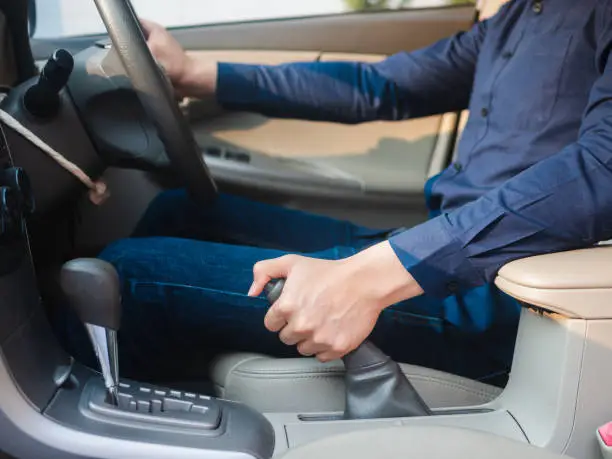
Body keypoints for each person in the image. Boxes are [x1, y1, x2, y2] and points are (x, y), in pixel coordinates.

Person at [55, 0, 612, 388]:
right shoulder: (521, 15)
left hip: (506, 297)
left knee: (131, 275)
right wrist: (194, 71)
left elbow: (603, 169)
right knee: (179, 210)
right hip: (446, 245)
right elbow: (384, 86)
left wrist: (373, 276)